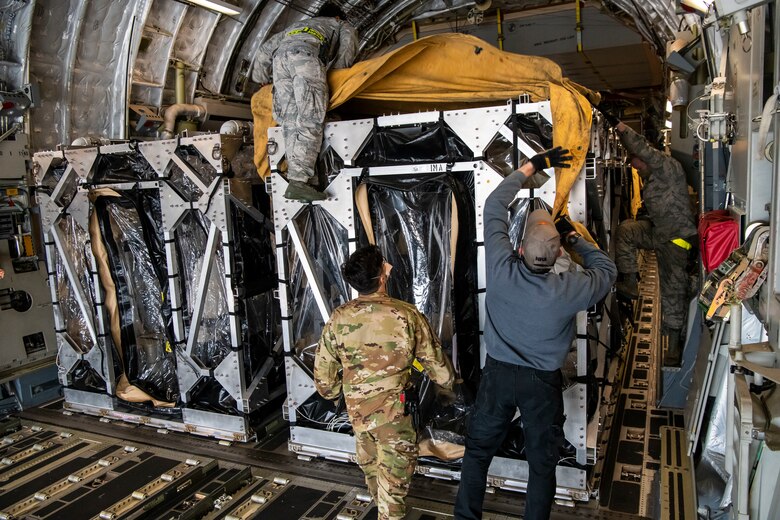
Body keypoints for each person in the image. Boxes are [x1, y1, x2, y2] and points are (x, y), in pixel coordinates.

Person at [453, 148, 617, 520]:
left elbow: (494, 204)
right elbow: (607, 271)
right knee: (541, 465)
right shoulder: (570, 288)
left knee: (478, 453)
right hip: (540, 384)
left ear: (520, 248)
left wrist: (531, 166)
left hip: (496, 376)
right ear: (558, 253)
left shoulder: (500, 267)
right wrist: (577, 243)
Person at [314, 245, 455, 520]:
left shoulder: (339, 317)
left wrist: (336, 394)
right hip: (395, 418)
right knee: (393, 492)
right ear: (381, 276)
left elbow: (324, 377)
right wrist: (448, 388)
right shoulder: (406, 314)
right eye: (384, 264)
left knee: (374, 476)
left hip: (358, 416)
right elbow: (438, 366)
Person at [600, 108, 698, 367]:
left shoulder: (666, 167)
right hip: (658, 233)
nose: (633, 165)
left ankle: (674, 345)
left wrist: (616, 123)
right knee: (627, 231)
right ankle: (631, 282)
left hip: (677, 240)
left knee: (672, 291)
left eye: (635, 160)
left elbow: (639, 146)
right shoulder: (653, 179)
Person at [250, 2, 359, 202]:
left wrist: (261, 78)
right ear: (337, 17)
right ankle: (300, 181)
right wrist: (341, 76)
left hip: (279, 62)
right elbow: (347, 51)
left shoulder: (295, 26)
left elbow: (264, 51)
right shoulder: (340, 25)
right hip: (306, 58)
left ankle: (298, 180)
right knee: (310, 117)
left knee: (290, 122)